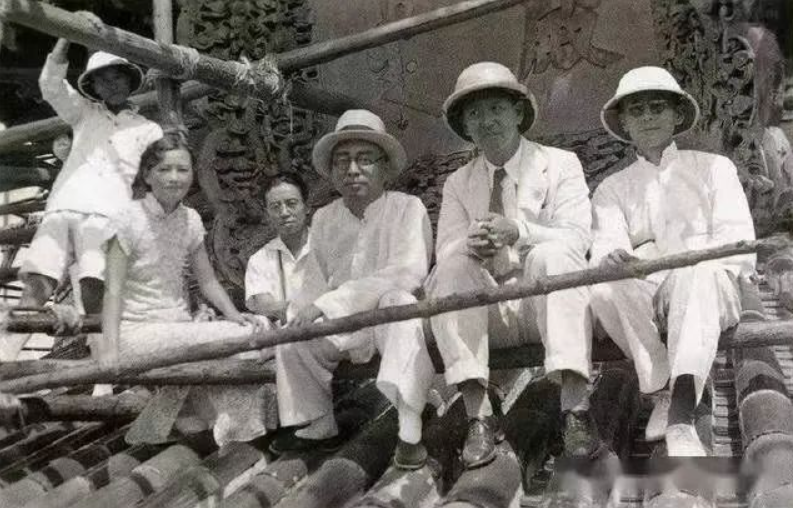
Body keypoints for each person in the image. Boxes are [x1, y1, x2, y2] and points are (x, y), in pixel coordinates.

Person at [427, 62, 597, 469]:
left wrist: (518, 231)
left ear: (518, 112)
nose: (487, 121)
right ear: (465, 126)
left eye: (496, 109)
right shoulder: (458, 182)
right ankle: (479, 414)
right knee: (451, 270)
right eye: (474, 114)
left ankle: (575, 409)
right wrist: (470, 245)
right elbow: (445, 250)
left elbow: (578, 237)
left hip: (544, 306)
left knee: (553, 255)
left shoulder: (560, 164)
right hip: (490, 314)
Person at [589, 66, 756, 456]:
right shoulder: (612, 188)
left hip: (712, 288)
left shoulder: (714, 168)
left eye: (657, 107)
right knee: (602, 285)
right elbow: (607, 246)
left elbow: (736, 242)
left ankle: (681, 412)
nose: (647, 117)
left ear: (677, 114)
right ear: (624, 123)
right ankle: (660, 387)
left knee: (698, 275)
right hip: (644, 299)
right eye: (636, 110)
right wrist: (627, 261)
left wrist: (680, 273)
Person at [271, 110, 436, 471]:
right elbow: (314, 282)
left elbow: (408, 272)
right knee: (293, 337)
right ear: (332, 172)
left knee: (399, 302)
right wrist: (300, 314)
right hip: (344, 328)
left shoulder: (408, 209)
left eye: (364, 159)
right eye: (342, 161)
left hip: (390, 322)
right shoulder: (324, 217)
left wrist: (330, 304)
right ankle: (319, 423)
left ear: (384, 167)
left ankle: (410, 424)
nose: (353, 170)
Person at [102, 132, 272, 447]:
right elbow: (111, 291)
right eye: (164, 169)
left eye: (182, 169)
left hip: (179, 329)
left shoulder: (190, 219)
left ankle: (204, 421)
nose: (174, 177)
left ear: (193, 174)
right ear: (147, 175)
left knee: (257, 326)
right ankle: (236, 436)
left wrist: (235, 315)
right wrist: (110, 351)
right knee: (242, 340)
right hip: (138, 334)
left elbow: (207, 281)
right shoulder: (125, 219)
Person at [18, 22, 162, 336]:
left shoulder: (149, 129)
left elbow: (152, 179)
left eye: (117, 77)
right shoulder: (84, 114)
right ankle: (7, 358)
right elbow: (51, 84)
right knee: (38, 283)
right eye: (103, 80)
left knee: (96, 291)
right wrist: (66, 36)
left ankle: (104, 365)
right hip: (65, 207)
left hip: (109, 215)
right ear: (93, 87)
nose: (111, 85)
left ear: (129, 79)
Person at [246, 172, 321, 325]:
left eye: (291, 203)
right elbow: (264, 305)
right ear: (267, 214)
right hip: (285, 334)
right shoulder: (260, 259)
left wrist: (316, 310)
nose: (284, 213)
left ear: (307, 207)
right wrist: (315, 306)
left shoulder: (328, 245)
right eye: (275, 207)